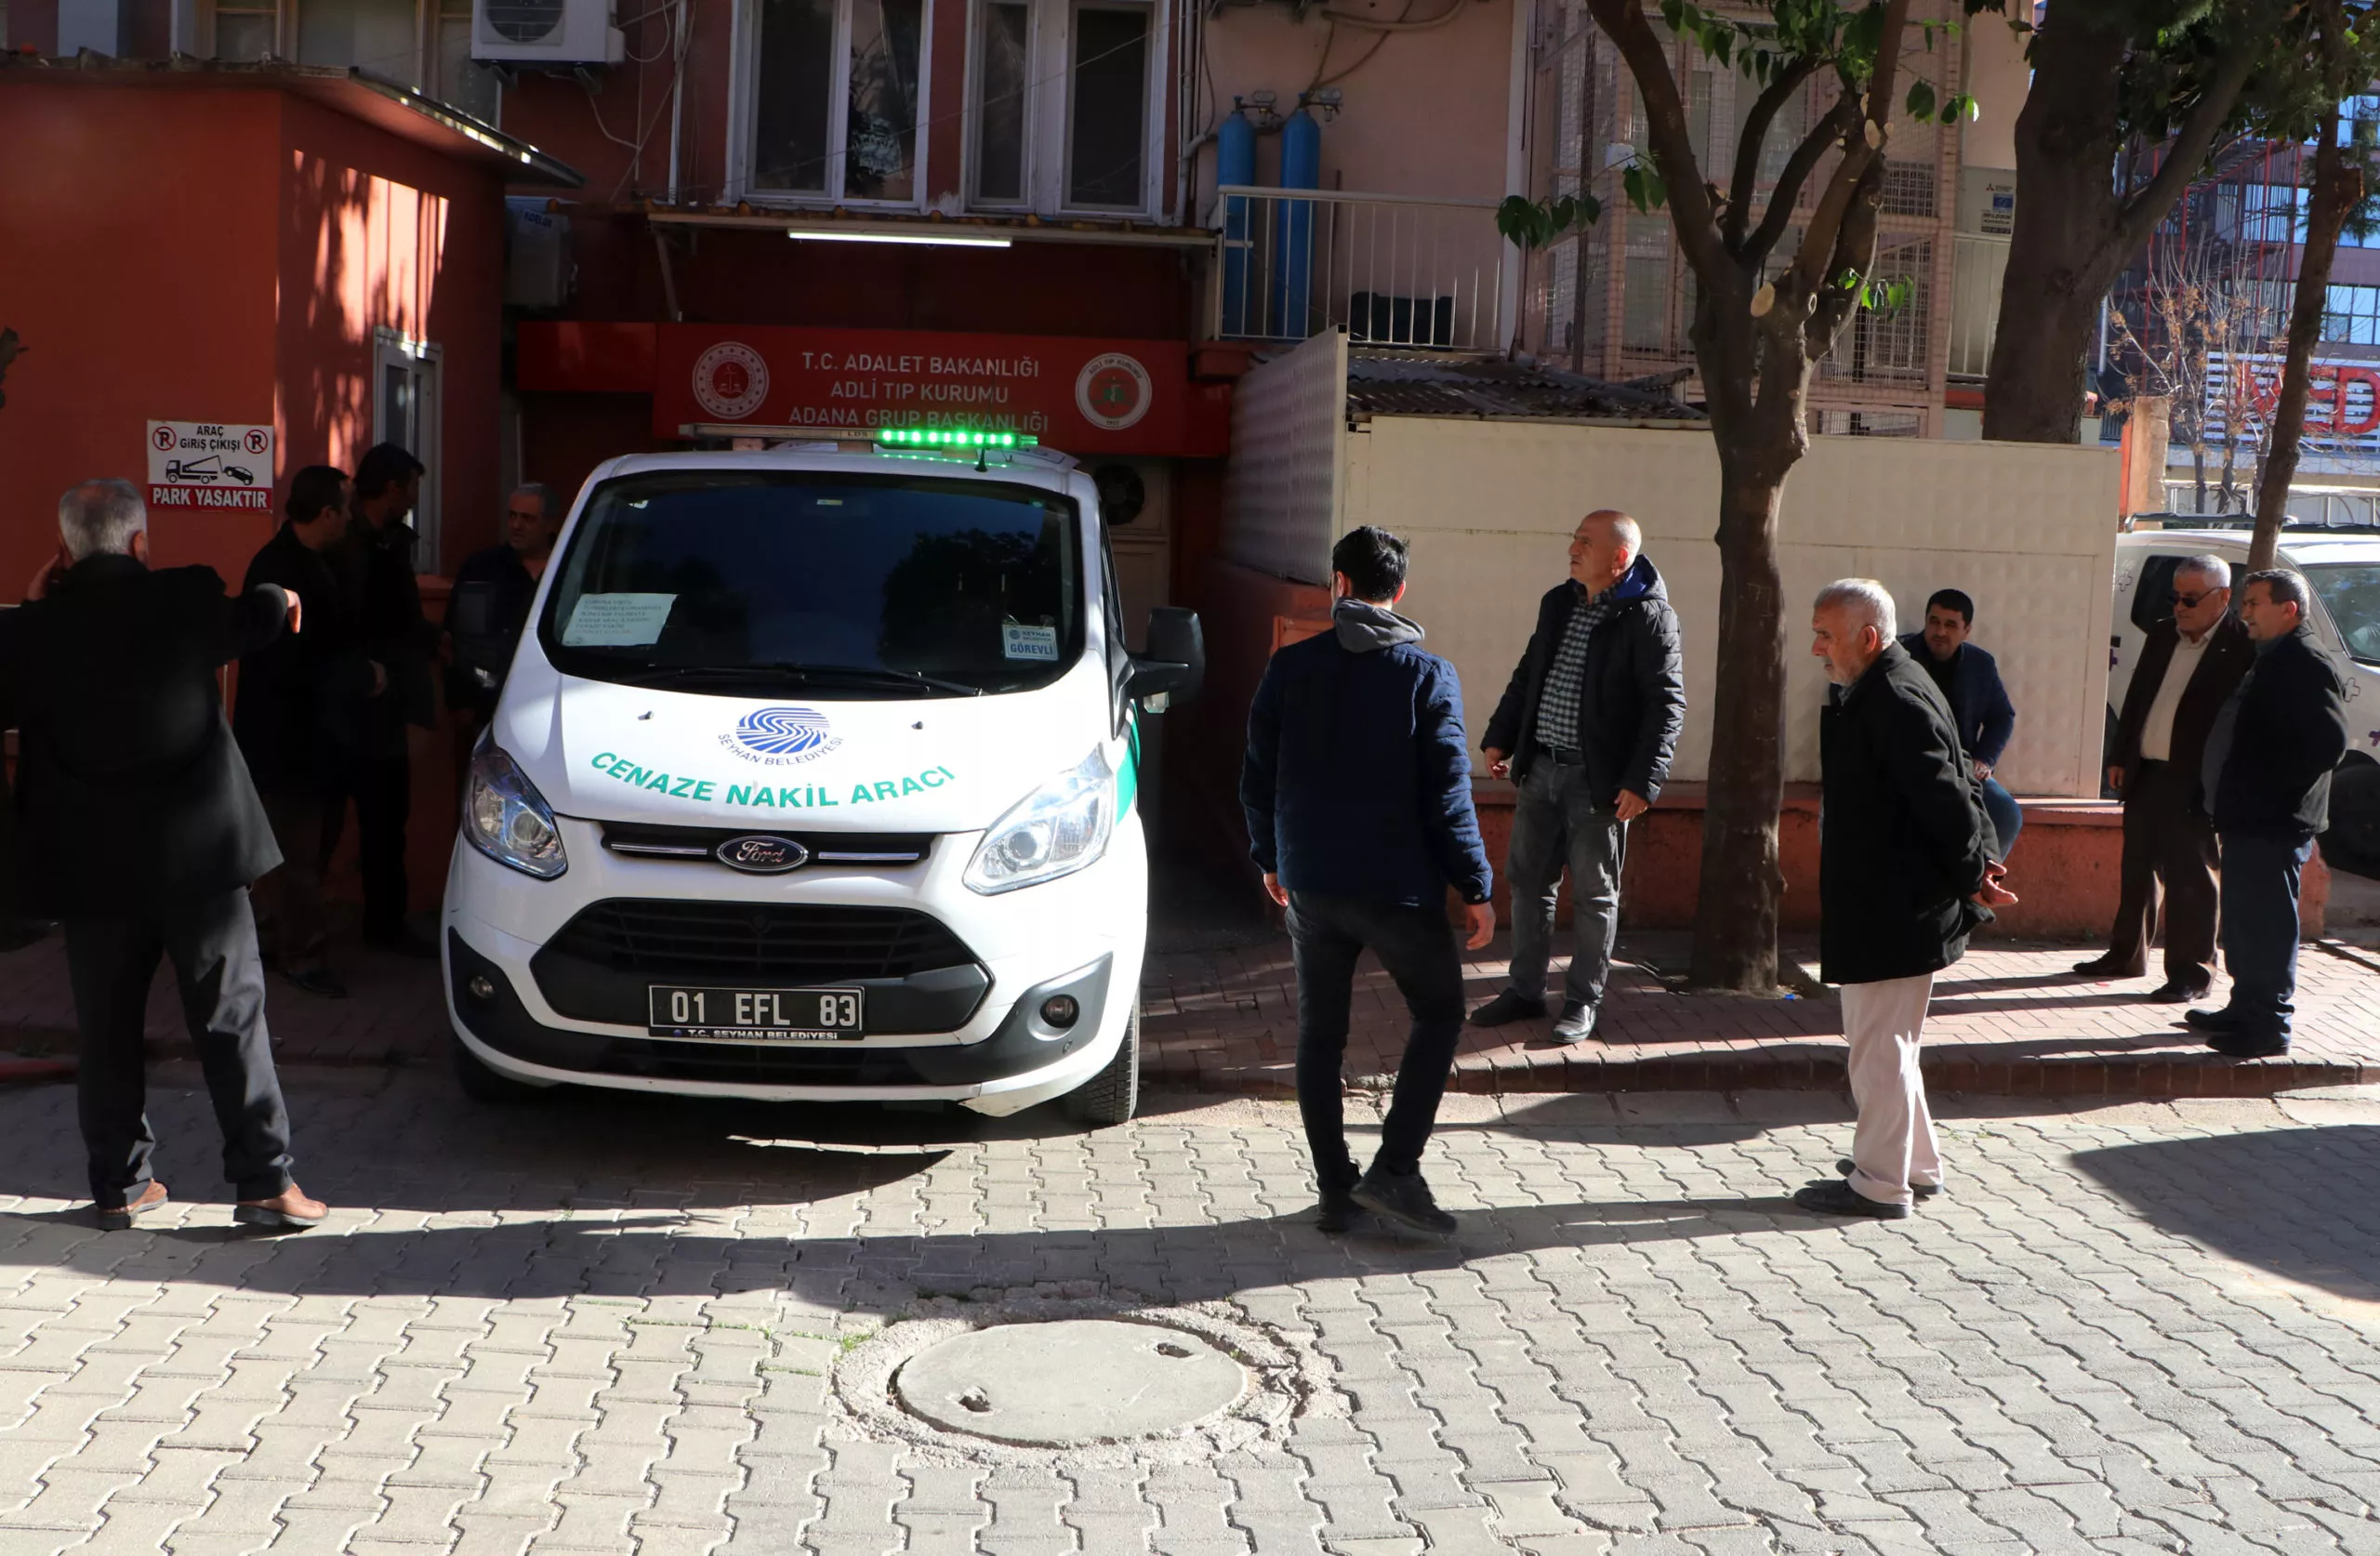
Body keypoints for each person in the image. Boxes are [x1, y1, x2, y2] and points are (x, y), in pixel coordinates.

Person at [0, 481, 326, 1231]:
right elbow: (258, 617)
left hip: (94, 871)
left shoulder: (33, 635)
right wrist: (278, 594)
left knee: (107, 1025)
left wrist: (36, 609)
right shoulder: (184, 600)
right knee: (229, 1016)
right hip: (199, 863)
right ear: (141, 544)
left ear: (62, 551)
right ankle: (265, 1183)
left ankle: (119, 1187)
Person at [1241, 525, 1497, 1237]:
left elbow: (1257, 775)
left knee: (1319, 1036)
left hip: (1313, 884)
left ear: (1339, 585)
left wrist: (1270, 857)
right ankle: (1395, 1171)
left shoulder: (1289, 669)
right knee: (1440, 1014)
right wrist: (1475, 887)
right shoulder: (1427, 676)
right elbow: (1448, 795)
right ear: (1401, 592)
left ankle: (1335, 1189)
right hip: (1397, 890)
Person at [1795, 580, 2012, 1220]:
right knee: (1892, 1041)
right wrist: (1982, 865)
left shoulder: (1894, 695)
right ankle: (1913, 1164)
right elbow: (1954, 782)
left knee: (1877, 1045)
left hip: (1894, 903)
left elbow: (1947, 798)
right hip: (1894, 899)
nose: (1815, 649)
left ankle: (1880, 1182)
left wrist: (1977, 870)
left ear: (1867, 637)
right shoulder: (1893, 682)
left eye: (1825, 635)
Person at [1471, 510, 1686, 1043]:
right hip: (1541, 767)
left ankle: (1582, 1001)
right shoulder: (1559, 601)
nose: (1572, 548)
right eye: (1574, 539)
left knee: (1594, 895)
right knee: (1528, 883)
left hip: (1601, 780)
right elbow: (1531, 672)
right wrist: (1502, 734)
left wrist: (1644, 781)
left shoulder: (1649, 617)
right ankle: (1524, 991)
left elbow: (1666, 704)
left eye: (1585, 542)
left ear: (1619, 558)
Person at [2075, 555, 2253, 1003]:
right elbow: (2137, 697)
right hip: (2148, 769)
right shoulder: (2161, 634)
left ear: (2223, 598)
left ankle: (2191, 973)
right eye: (2175, 597)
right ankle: (2126, 954)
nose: (2179, 607)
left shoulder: (2241, 646)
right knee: (2138, 867)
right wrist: (2121, 753)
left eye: (2190, 599)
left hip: (2197, 779)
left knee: (2193, 876)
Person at [2189, 569, 2350, 1058]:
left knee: (2267, 924)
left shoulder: (2304, 661)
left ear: (2289, 610)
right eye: (2245, 603)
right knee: (2242, 921)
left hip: (2273, 821)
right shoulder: (2271, 657)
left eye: (2255, 603)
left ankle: (2269, 1025)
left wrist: (2268, 789)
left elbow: (2329, 744)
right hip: (2247, 818)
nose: (2245, 612)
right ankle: (2245, 1007)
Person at [233, 467, 379, 1001]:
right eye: (345, 508)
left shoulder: (316, 561)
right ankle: (301, 953)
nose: (351, 517)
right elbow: (289, 664)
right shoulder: (278, 570)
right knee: (294, 854)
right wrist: (362, 676)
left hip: (313, 739)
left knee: (301, 850)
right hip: (285, 742)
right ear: (326, 514)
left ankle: (278, 939)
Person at [331, 442, 437, 958]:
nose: (415, 500)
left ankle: (384, 923)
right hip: (347, 701)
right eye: (412, 489)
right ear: (392, 489)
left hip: (385, 703)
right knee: (328, 820)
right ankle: (301, 930)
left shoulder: (390, 541)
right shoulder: (346, 542)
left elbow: (405, 621)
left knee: (386, 818)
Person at [444, 482, 560, 778]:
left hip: (551, 702)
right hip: (488, 703)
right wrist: (461, 701)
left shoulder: (569, 568)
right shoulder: (483, 568)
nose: (516, 525)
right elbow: (457, 636)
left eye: (527, 518)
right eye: (512, 516)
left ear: (550, 524)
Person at [1899, 588, 2023, 859]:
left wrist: (1984, 759)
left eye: (1950, 625)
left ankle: (1978, 886)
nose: (1940, 631)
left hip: (1961, 767)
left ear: (1966, 630)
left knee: (2005, 814)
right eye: (1934, 621)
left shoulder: (1981, 664)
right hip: (1906, 766)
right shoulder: (1899, 656)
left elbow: (2002, 716)